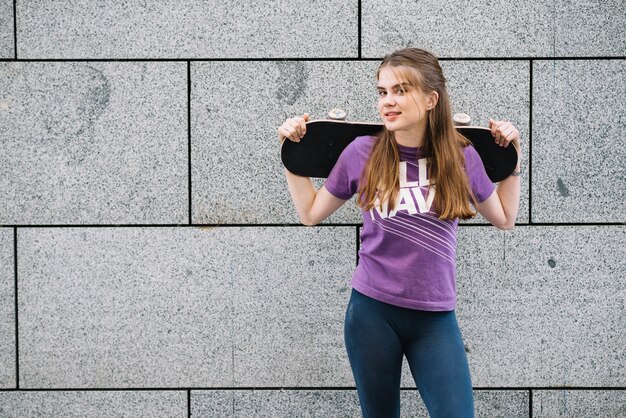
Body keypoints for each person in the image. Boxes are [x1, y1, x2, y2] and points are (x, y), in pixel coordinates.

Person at [277, 48, 520, 418]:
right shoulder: (363, 152)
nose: (388, 102)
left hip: (435, 319)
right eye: (382, 92)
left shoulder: (461, 157)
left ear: (430, 99)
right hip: (372, 314)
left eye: (401, 91)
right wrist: (290, 155)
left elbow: (504, 218)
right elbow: (310, 213)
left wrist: (513, 158)